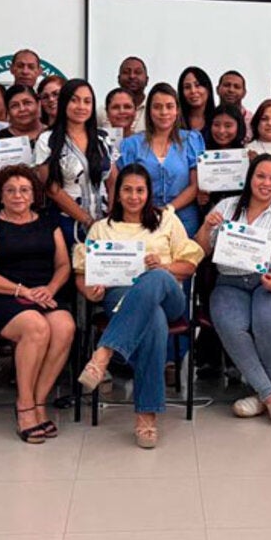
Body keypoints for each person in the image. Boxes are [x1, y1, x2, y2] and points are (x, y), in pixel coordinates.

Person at [75, 164, 205, 448]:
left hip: (169, 293)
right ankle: (146, 415)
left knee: (157, 277)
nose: (134, 196)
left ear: (149, 193)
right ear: (117, 194)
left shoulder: (167, 220)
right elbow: (82, 274)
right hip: (119, 298)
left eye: (140, 190)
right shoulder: (101, 228)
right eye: (127, 190)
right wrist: (90, 291)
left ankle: (104, 352)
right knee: (154, 320)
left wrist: (166, 265)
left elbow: (189, 264)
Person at [198, 155, 271, 429]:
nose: (266, 183)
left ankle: (260, 395)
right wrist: (207, 226)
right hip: (230, 282)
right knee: (231, 326)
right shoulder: (227, 206)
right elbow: (201, 249)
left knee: (268, 324)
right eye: (261, 176)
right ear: (250, 177)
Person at [0, 165, 74, 443]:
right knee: (36, 327)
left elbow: (64, 264)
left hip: (43, 293)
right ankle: (25, 406)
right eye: (11, 190)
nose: (18, 195)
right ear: (0, 196)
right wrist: (23, 291)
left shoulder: (48, 223)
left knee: (64, 326)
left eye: (24, 190)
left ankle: (40, 402)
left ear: (33, 195)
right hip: (1, 297)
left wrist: (50, 288)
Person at [36, 79, 115, 248]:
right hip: (65, 222)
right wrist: (86, 220)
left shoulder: (103, 138)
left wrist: (111, 217)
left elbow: (113, 180)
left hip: (105, 222)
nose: (81, 106)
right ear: (64, 102)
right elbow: (51, 188)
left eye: (87, 101)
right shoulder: (47, 139)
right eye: (74, 100)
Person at [118, 83, 204, 235]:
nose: (164, 112)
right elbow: (124, 185)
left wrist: (168, 209)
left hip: (184, 221)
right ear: (149, 111)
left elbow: (195, 185)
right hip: (142, 220)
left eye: (169, 106)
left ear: (177, 110)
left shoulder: (191, 140)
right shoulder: (131, 144)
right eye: (157, 107)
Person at [197, 104, 247, 208]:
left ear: (239, 126)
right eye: (216, 125)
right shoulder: (202, 155)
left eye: (228, 126)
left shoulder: (247, 156)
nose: (221, 131)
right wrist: (200, 198)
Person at [178, 66, 217, 134]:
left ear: (207, 89)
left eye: (197, 85)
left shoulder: (218, 119)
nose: (193, 91)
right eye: (187, 87)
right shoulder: (175, 121)